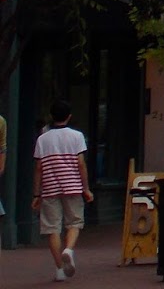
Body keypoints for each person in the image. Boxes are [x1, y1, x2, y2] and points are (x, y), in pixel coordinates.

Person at [33, 99, 92, 282]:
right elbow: (80, 164)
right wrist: (86, 188)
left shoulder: (42, 139)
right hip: (72, 185)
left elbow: (39, 168)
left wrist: (37, 193)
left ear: (51, 117)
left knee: (52, 229)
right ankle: (69, 249)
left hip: (50, 188)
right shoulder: (77, 136)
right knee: (74, 222)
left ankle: (59, 269)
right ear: (69, 116)